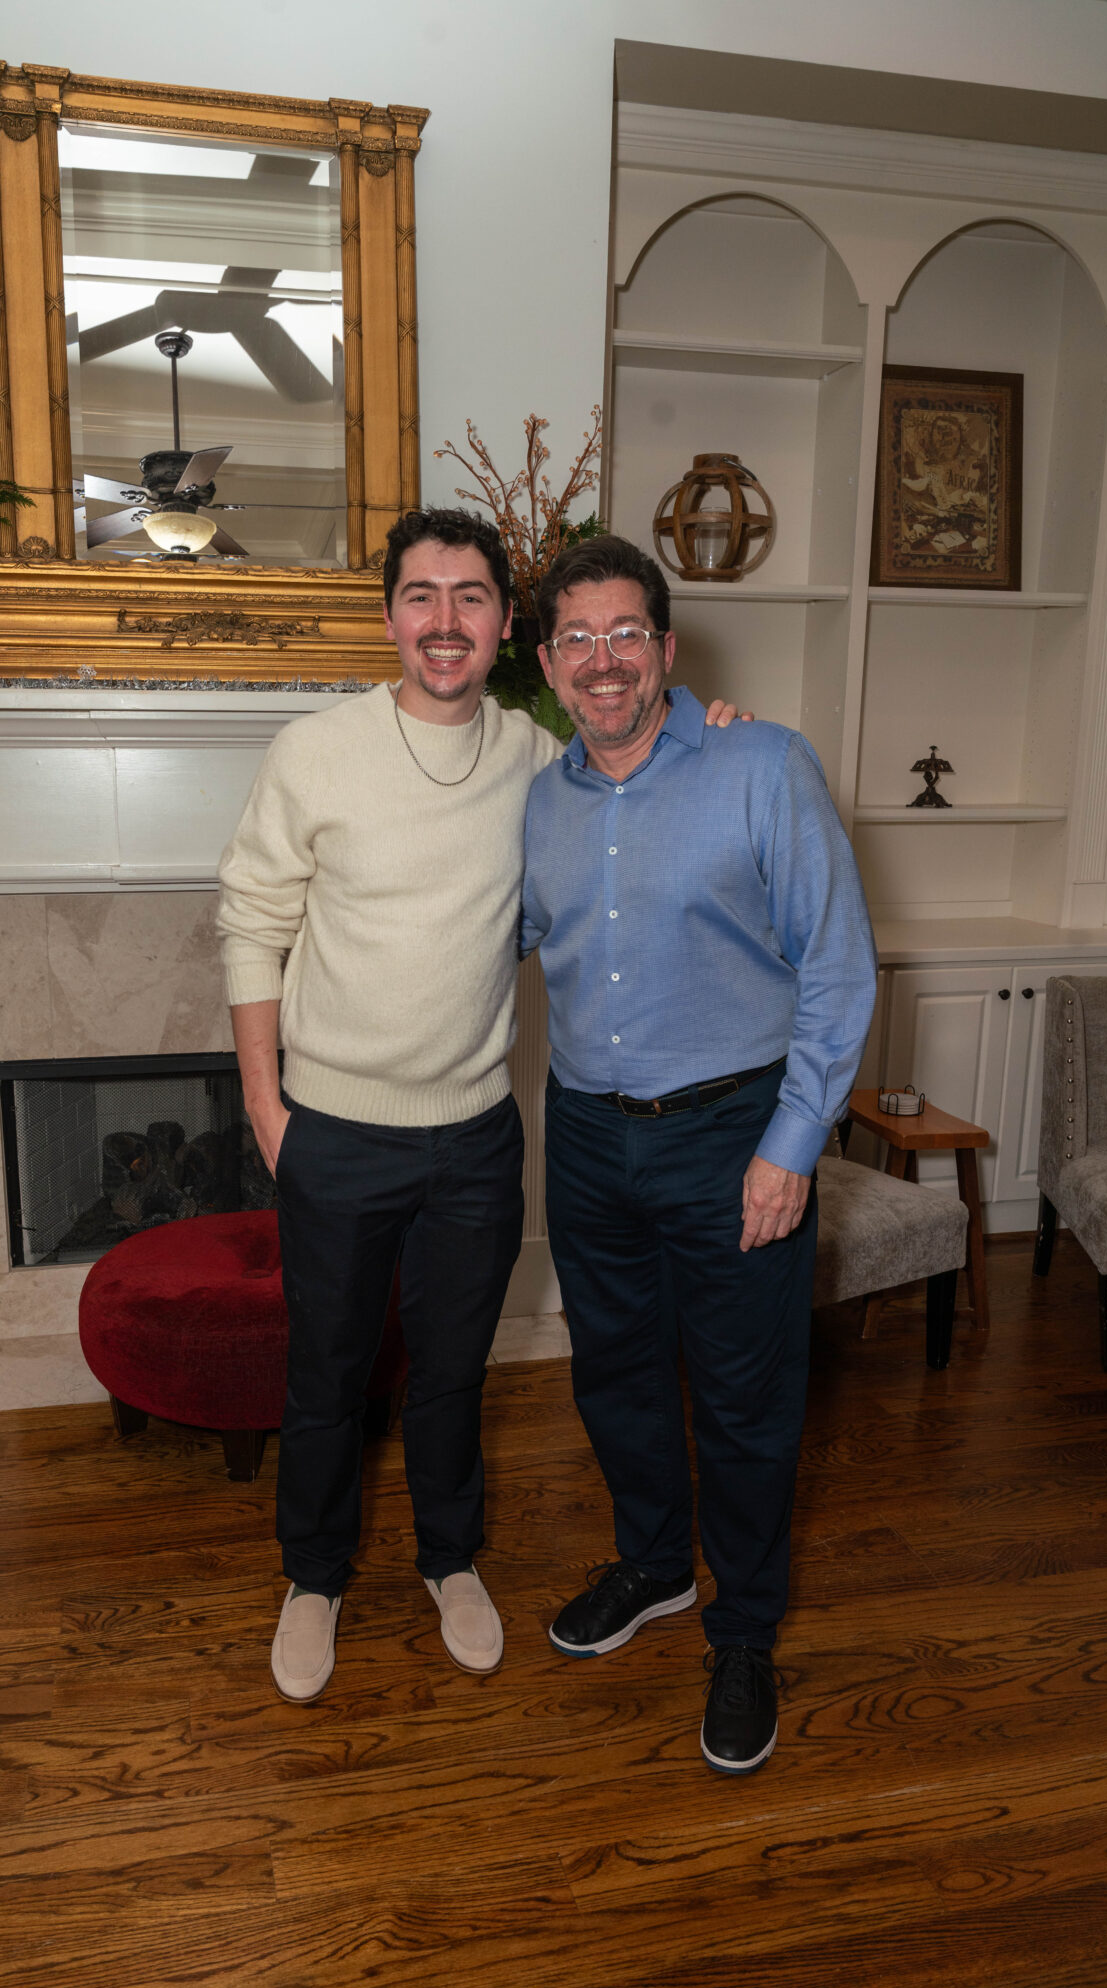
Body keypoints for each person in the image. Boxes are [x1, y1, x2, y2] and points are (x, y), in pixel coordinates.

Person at [217, 505, 743, 1703]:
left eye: (470, 597)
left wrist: (716, 724)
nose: (444, 620)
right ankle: (314, 1576)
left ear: (508, 626)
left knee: (454, 1371)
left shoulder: (535, 760)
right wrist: (265, 1105)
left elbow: (644, 753)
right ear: (389, 618)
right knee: (326, 1374)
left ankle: (449, 1559)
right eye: (421, 595)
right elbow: (250, 920)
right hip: (332, 1126)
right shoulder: (313, 751)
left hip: (472, 1136)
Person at [521, 533, 876, 1775]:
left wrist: (793, 1144)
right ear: (548, 664)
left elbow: (837, 968)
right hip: (585, 1132)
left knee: (743, 1400)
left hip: (735, 1132)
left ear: (667, 649)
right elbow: (499, 936)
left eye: (626, 632)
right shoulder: (540, 801)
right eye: (578, 637)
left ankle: (744, 1629)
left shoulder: (762, 764)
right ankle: (655, 1565)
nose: (603, 658)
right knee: (614, 1376)